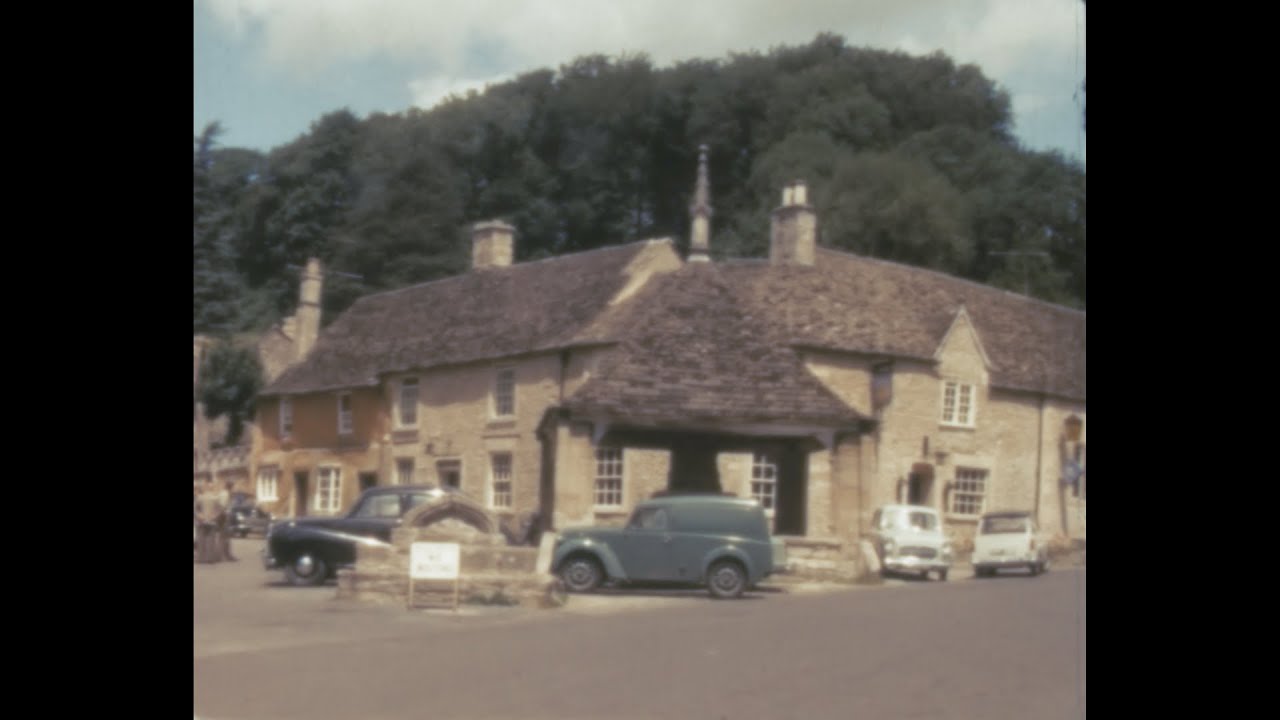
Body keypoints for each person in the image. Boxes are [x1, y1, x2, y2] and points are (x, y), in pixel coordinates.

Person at [195, 480, 223, 563]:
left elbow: (196, 509)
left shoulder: (200, 497)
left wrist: (200, 516)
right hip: (212, 521)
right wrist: (214, 516)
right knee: (211, 540)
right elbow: (220, 510)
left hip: (202, 520)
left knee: (201, 540)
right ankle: (210, 558)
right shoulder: (216, 498)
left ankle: (201, 558)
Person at [217, 480, 238, 561]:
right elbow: (222, 506)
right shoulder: (225, 494)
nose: (235, 489)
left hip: (223, 516)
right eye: (234, 487)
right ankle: (226, 555)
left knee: (224, 537)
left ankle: (224, 555)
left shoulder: (224, 493)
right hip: (224, 517)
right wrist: (225, 517)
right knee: (225, 537)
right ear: (230, 487)